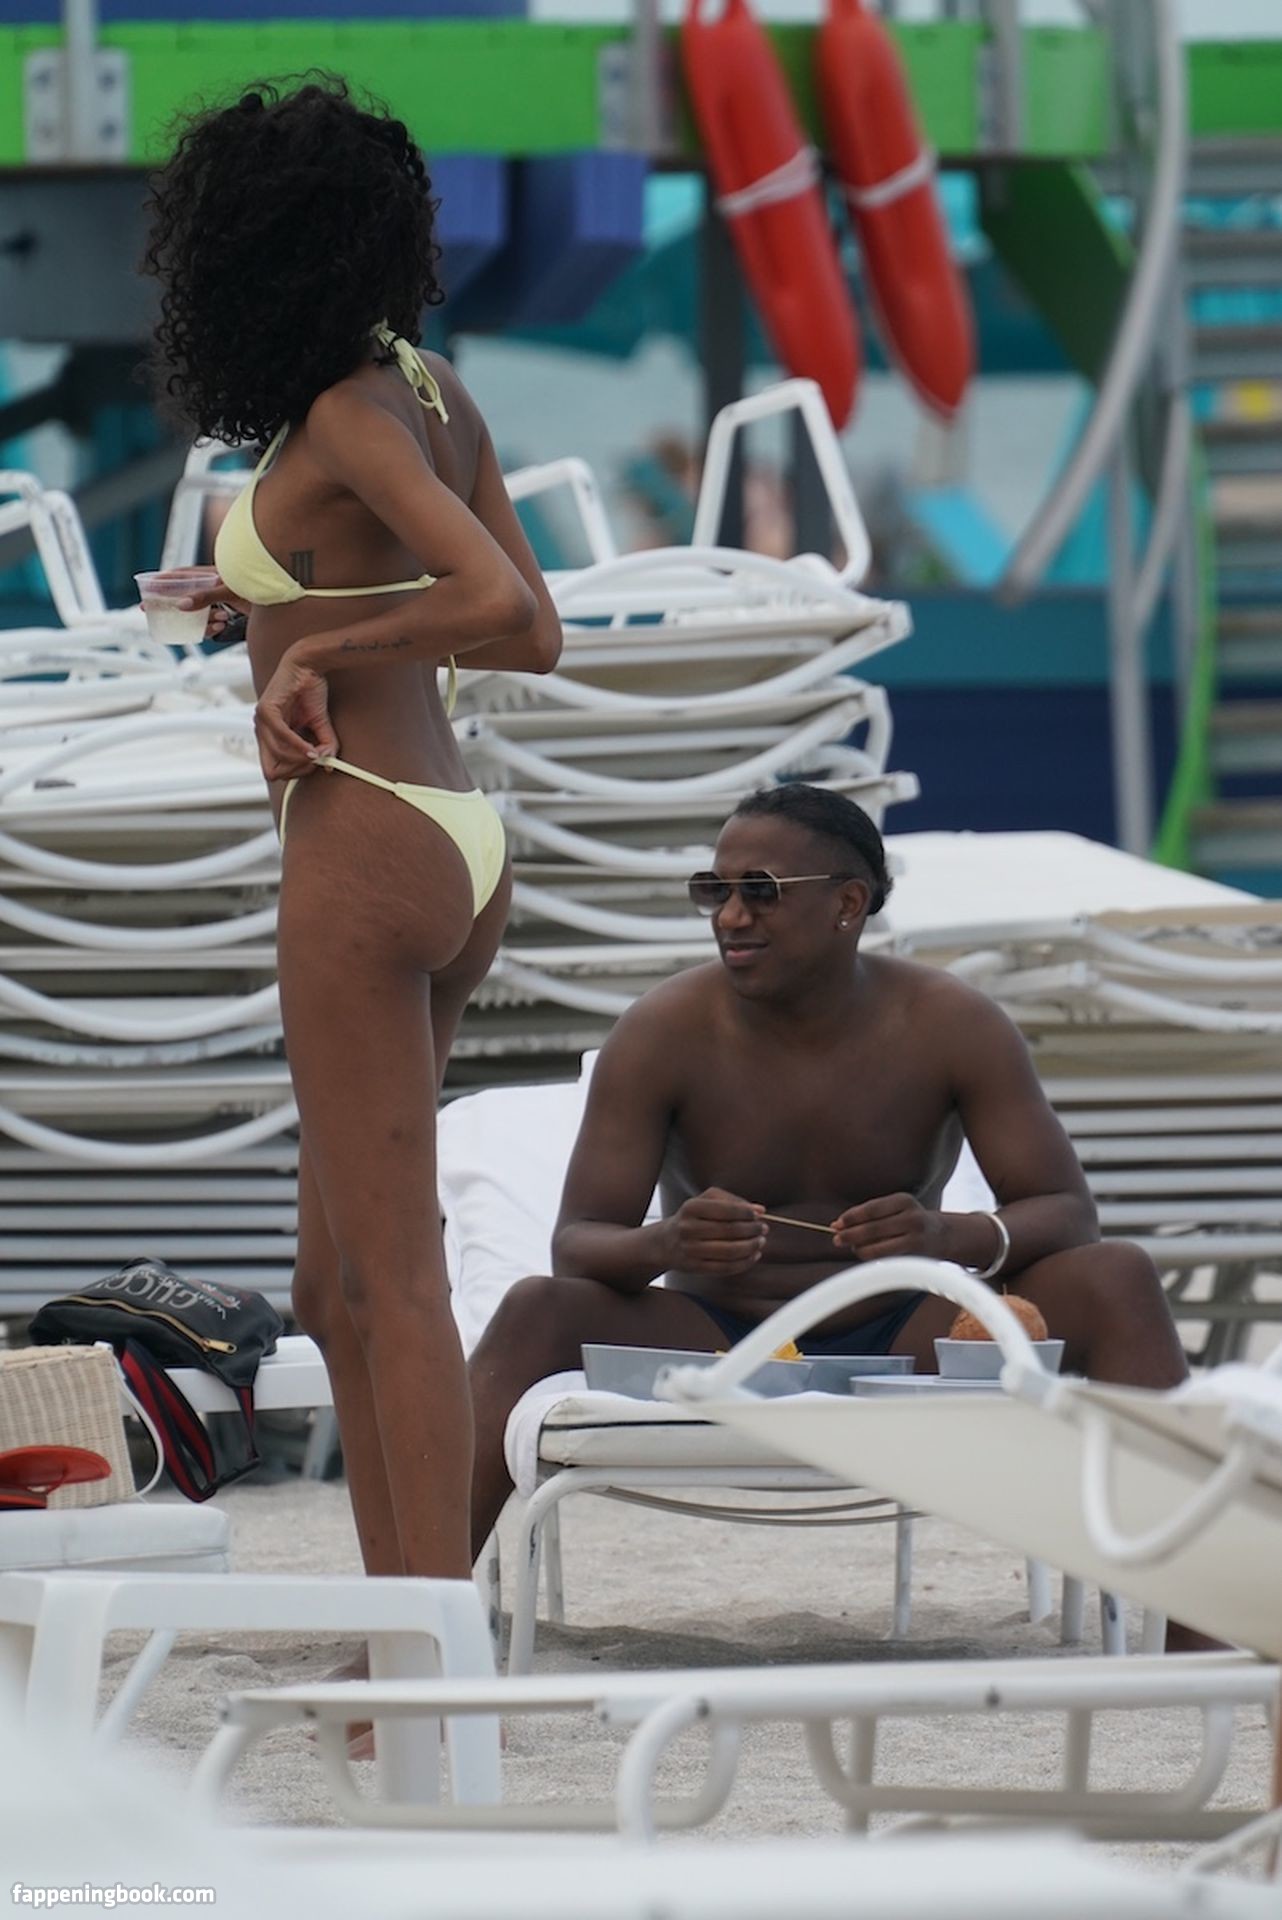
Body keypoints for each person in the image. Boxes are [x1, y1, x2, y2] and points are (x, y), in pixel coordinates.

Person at [469, 783, 1211, 1649]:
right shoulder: (664, 1031)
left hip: (904, 1331)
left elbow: (1067, 1212)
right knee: (535, 1308)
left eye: (760, 891)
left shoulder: (949, 1023)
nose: (731, 916)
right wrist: (668, 1241)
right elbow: (577, 1246)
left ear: (847, 904)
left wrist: (949, 1237)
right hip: (720, 1342)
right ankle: (420, 1612)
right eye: (715, 890)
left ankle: (1202, 1629)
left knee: (1117, 1277)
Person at [144, 76, 562, 1583]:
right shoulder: (429, 389)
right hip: (452, 836)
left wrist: (316, 649)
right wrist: (262, 604)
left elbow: (503, 611)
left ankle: (434, 1651)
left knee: (394, 1286)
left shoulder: (338, 410)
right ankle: (405, 1625)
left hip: (362, 840)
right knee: (331, 1289)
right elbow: (533, 630)